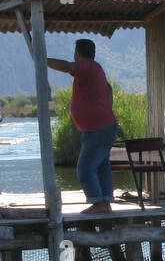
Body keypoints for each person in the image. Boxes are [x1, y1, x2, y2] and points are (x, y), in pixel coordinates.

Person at [46, 39, 117, 214]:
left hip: (98, 128)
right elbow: (110, 91)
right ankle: (105, 202)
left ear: (78, 54)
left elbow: (67, 66)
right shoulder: (95, 69)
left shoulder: (87, 66)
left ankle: (98, 203)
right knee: (101, 165)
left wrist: (42, 59)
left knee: (85, 168)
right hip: (102, 126)